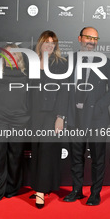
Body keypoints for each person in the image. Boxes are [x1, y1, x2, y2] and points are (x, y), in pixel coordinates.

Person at [63, 27, 110, 206]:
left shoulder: (106, 63)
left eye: (95, 38)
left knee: (97, 159)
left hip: (97, 118)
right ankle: (77, 191)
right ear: (80, 38)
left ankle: (95, 193)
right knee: (76, 157)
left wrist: (100, 106)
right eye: (88, 37)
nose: (91, 41)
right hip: (75, 117)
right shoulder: (68, 61)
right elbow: (63, 88)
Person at [29, 30, 68, 209]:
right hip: (34, 114)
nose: (50, 45)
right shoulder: (32, 62)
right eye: (47, 42)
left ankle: (40, 193)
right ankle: (40, 186)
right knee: (37, 150)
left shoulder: (61, 64)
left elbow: (63, 93)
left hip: (52, 114)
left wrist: (60, 117)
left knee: (46, 150)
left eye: (53, 43)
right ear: (41, 43)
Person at [0, 44, 30, 201]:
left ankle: (12, 188)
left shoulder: (26, 75)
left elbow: (31, 98)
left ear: (19, 57)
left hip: (19, 120)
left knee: (15, 155)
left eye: (14, 55)